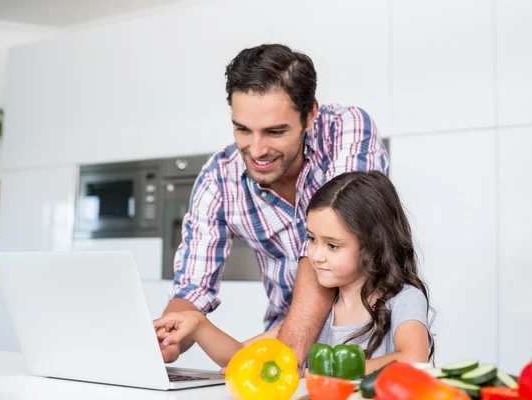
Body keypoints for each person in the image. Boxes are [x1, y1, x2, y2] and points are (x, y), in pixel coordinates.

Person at [157, 43, 389, 367]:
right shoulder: (218, 178)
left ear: (310, 115)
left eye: (275, 131)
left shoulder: (346, 130)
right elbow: (193, 288)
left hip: (367, 343)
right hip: (283, 335)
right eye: (242, 129)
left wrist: (286, 358)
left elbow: (330, 240)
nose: (256, 150)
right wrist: (167, 338)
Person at [154, 171, 433, 372]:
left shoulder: (403, 299)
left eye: (332, 245)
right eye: (311, 239)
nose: (316, 255)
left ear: (373, 245)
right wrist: (198, 324)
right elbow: (239, 359)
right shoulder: (320, 310)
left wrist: (333, 371)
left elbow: (413, 357)